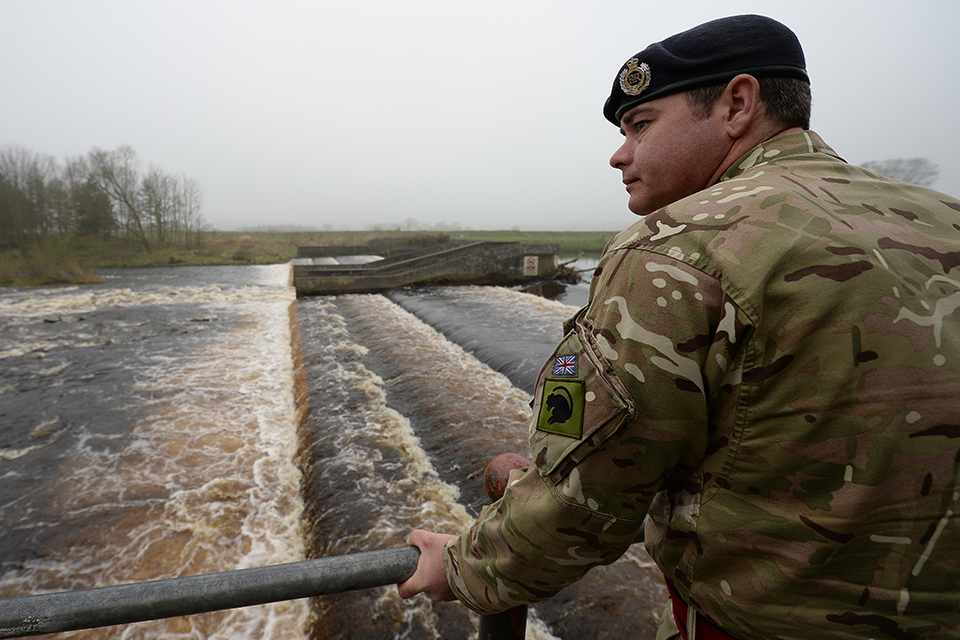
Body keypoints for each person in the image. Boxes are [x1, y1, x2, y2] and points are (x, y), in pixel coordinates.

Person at [398, 14, 960, 640]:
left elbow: (587, 492)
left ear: (736, 105)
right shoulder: (946, 220)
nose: (619, 154)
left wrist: (463, 567)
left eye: (641, 125)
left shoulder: (674, 248)